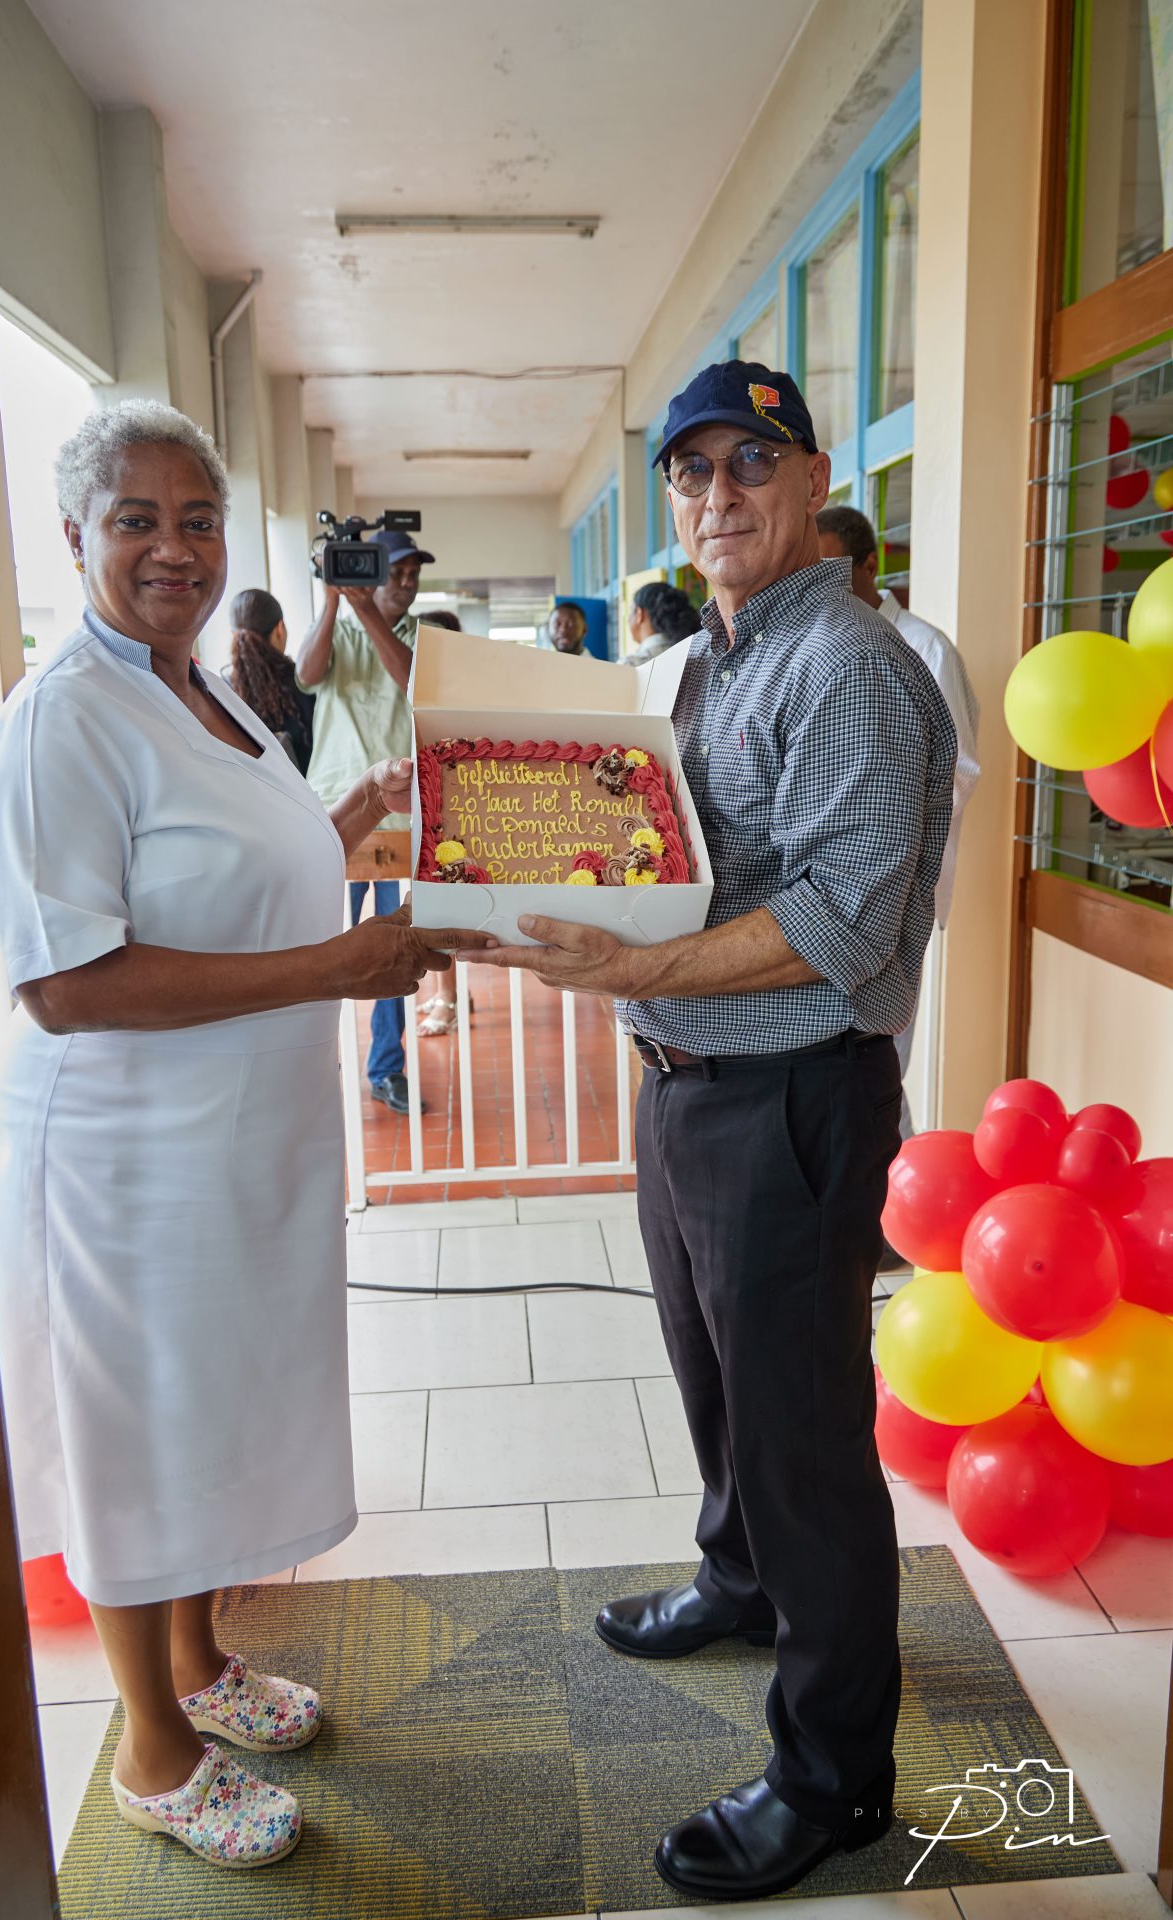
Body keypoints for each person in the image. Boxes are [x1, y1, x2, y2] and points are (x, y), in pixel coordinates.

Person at [463, 359, 956, 1903]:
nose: (718, 496)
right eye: (692, 473)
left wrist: (632, 965)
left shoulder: (852, 666)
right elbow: (667, 845)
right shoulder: (716, 658)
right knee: (713, 1374)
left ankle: (834, 1778)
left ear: (812, 485)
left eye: (752, 464)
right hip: (687, 1079)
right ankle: (742, 1582)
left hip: (792, 1096)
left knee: (805, 1440)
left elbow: (831, 914)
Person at [0, 402, 481, 1871]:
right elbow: (66, 981)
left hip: (237, 1139)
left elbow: (251, 868)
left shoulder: (208, 694)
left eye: (197, 520)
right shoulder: (63, 715)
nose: (173, 549)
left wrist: (365, 805)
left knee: (210, 1412)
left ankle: (199, 1661)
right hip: (127, 1153)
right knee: (138, 1432)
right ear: (76, 538)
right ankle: (151, 1748)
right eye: (137, 520)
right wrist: (332, 969)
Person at [815, 504, 980, 1137]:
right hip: (827, 895)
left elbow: (957, 776)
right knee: (841, 1064)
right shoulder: (824, 641)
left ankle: (892, 1219)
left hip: (898, 890)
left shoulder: (924, 649)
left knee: (879, 1062)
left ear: (869, 565)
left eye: (834, 566)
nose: (822, 581)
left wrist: (867, 824)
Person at [296, 527, 435, 1115]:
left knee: (390, 952)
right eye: (395, 570)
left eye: (412, 573)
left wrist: (365, 607)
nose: (406, 582)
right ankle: (309, 1064)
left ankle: (386, 1067)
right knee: (312, 950)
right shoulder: (339, 625)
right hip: (332, 814)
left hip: (398, 818)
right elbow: (307, 672)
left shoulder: (421, 639)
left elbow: (410, 680)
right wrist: (333, 600)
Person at [413, 609, 468, 1030]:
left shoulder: (459, 690)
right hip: (424, 807)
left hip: (457, 813)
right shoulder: (414, 685)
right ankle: (444, 993)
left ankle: (447, 997)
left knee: (444, 910)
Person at [225, 586, 314, 770]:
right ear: (280, 629)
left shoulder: (222, 693)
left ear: (233, 636)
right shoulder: (305, 682)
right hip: (310, 793)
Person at [624, 580, 701, 664]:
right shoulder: (693, 658)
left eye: (631, 610)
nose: (628, 619)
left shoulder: (630, 664)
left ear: (639, 614)